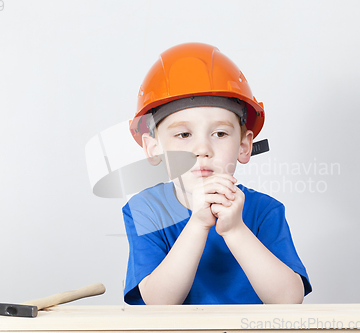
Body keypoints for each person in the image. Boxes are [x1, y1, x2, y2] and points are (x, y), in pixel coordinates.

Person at [123, 43, 311, 305]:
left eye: (220, 134)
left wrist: (235, 230)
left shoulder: (264, 210)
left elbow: (288, 300)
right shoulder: (146, 210)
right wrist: (198, 223)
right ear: (154, 149)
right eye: (184, 134)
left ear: (244, 146)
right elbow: (159, 303)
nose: (202, 149)